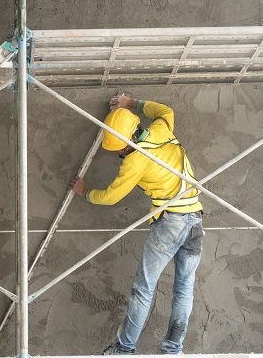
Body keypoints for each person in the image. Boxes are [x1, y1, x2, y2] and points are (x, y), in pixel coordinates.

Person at [70, 95, 204, 355]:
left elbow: (111, 196)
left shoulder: (135, 161)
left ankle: (124, 348)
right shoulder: (161, 128)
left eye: (120, 148)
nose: (119, 153)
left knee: (143, 289)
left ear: (130, 141)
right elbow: (164, 109)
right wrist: (130, 102)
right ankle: (173, 350)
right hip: (195, 219)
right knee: (184, 289)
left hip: (170, 224)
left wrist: (86, 192)